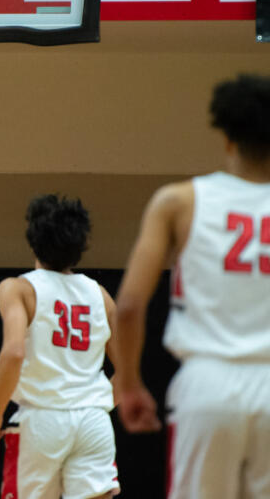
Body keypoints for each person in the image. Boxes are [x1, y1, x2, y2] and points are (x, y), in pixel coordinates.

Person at [114, 74, 270, 499]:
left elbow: (128, 305)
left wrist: (128, 383)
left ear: (226, 139)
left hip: (209, 384)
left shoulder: (179, 201)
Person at [0, 195, 120, 499]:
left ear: (33, 240)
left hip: (41, 421)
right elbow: (128, 372)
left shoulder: (18, 289)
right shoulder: (102, 295)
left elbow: (14, 352)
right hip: (93, 421)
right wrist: (96, 403)